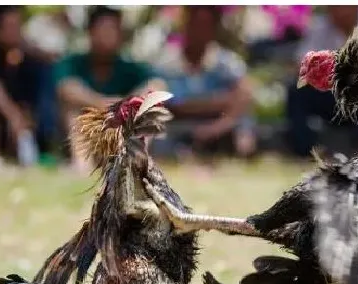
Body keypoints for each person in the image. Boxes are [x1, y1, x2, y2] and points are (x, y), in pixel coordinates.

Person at [53, 6, 164, 172]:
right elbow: (65, 88)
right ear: (91, 32)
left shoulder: (129, 67)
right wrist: (102, 103)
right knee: (73, 107)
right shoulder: (72, 62)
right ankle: (81, 164)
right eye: (104, 29)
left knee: (148, 107)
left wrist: (127, 105)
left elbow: (158, 85)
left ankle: (137, 161)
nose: (109, 35)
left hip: (122, 131)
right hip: (88, 131)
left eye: (114, 30)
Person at [152, 5, 255, 160]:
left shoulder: (227, 62)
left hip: (218, 126)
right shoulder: (166, 62)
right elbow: (164, 102)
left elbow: (245, 95)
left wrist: (216, 127)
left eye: (205, 25)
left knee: (244, 121)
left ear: (213, 29)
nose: (199, 31)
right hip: (178, 125)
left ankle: (243, 157)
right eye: (195, 24)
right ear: (185, 25)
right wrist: (220, 101)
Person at [287, 6, 358, 158]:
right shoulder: (320, 27)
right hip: (329, 95)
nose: (338, 11)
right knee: (296, 91)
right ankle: (306, 151)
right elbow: (301, 64)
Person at [0, 6, 43, 172]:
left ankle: (23, 157)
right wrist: (13, 115)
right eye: (10, 27)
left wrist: (21, 118)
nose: (15, 32)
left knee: (25, 119)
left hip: (19, 119)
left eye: (18, 26)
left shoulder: (28, 60)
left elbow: (28, 99)